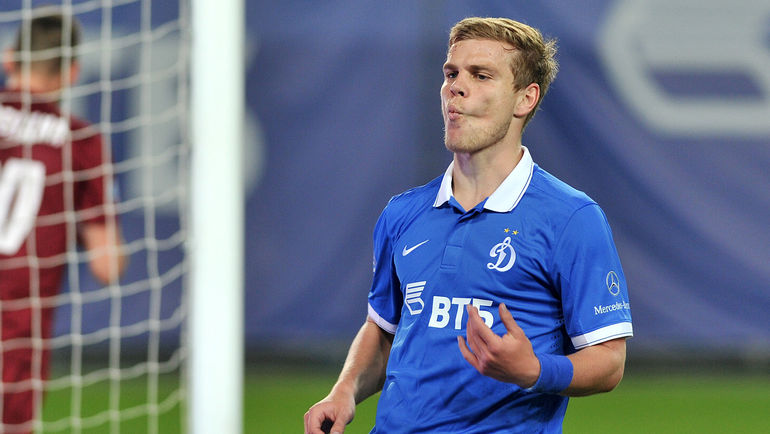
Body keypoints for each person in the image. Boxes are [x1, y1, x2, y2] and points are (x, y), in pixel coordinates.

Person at [305, 16, 633, 433]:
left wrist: (535, 370)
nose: (456, 88)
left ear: (525, 98)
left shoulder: (572, 218)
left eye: (480, 75)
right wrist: (344, 391)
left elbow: (608, 361)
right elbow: (384, 330)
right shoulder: (402, 213)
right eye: (451, 73)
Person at [0, 10, 127, 432]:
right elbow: (107, 265)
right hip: (16, 328)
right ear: (72, 72)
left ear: (9, 58)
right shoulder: (82, 144)